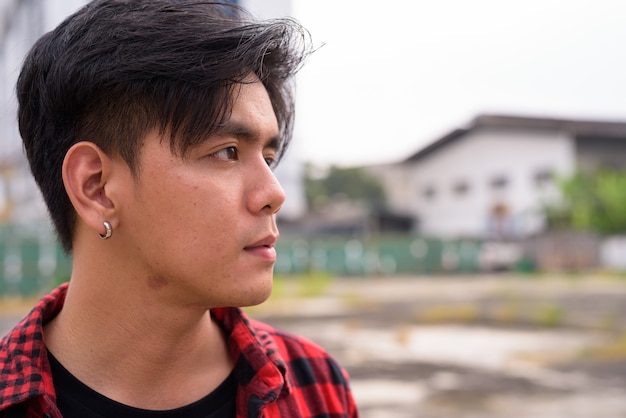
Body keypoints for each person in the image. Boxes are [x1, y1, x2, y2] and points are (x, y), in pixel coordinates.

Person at [0, 1, 359, 417]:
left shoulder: (315, 386)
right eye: (227, 152)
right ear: (96, 187)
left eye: (268, 156)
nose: (273, 193)